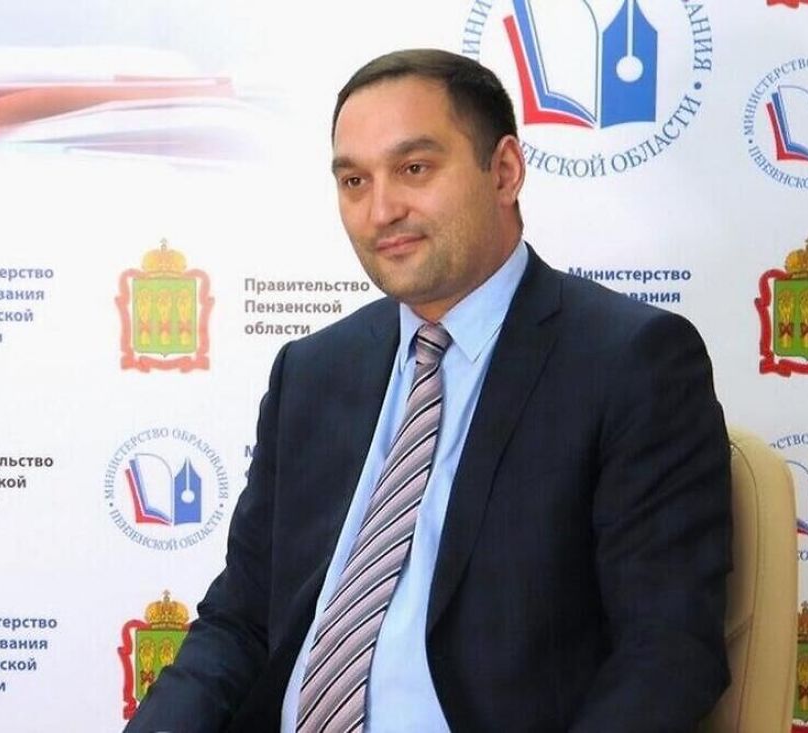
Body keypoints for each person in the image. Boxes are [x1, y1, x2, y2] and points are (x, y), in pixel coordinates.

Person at [125, 48, 731, 732]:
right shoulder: (312, 371)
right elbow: (240, 621)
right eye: (354, 180)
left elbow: (666, 654)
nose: (381, 210)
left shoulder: (630, 362)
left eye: (414, 168)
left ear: (504, 171)